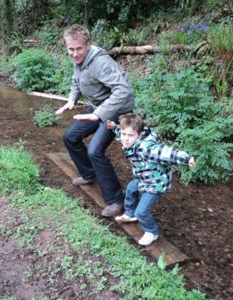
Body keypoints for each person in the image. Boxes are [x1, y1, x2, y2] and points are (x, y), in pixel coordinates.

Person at [56, 24, 135, 217]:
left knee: (95, 151)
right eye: (71, 49)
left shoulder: (101, 63)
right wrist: (72, 99)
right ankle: (89, 174)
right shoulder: (79, 60)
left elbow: (124, 90)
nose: (74, 54)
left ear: (88, 45)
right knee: (70, 137)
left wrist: (99, 115)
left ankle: (117, 200)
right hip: (97, 107)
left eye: (79, 49)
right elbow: (76, 80)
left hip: (117, 111)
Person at [107, 113, 195, 246]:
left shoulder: (148, 149)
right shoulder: (128, 136)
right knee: (131, 188)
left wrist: (187, 159)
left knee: (142, 211)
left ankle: (152, 232)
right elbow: (121, 130)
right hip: (144, 177)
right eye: (124, 135)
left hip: (155, 183)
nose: (125, 139)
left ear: (139, 134)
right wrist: (114, 126)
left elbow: (168, 153)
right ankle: (130, 214)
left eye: (130, 136)